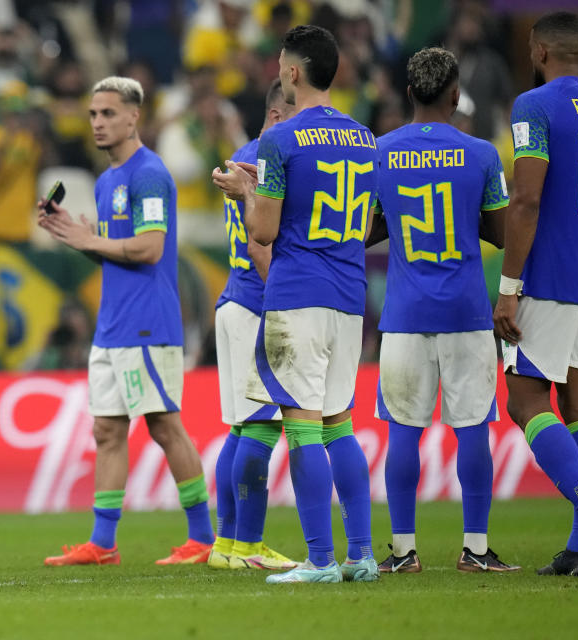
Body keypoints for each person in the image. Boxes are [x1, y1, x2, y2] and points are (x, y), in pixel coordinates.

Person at [212, 25, 378, 584]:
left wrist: (245, 193)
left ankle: (321, 561)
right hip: (350, 295)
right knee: (340, 425)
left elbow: (263, 231)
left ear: (292, 72)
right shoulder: (364, 137)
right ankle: (362, 556)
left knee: (302, 427)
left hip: (297, 294)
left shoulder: (280, 140)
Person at [40, 76, 216, 567]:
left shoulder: (149, 174)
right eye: (94, 114)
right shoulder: (106, 181)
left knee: (164, 425)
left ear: (134, 116)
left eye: (109, 113)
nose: (98, 122)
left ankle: (203, 538)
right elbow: (116, 254)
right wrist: (74, 234)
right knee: (107, 431)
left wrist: (89, 241)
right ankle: (103, 543)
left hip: (147, 324)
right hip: (112, 324)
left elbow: (150, 248)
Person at [371, 47, 518, 573]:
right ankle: (475, 550)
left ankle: (403, 551)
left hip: (405, 314)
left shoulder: (379, 152)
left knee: (403, 431)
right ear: (455, 94)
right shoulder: (481, 154)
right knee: (473, 428)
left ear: (408, 92)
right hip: (466, 312)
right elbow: (501, 235)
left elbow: (367, 232)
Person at [493, 11, 578, 577]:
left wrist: (507, 289)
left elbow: (525, 201)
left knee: (524, 402)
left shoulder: (534, 107)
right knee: (576, 407)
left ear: (543, 51)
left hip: (551, 280)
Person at [208, 80, 296, 571]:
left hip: (234, 299)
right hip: (258, 299)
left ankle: (226, 545)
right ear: (280, 116)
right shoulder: (273, 157)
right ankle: (248, 546)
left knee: (243, 427)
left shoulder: (241, 154)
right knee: (260, 426)